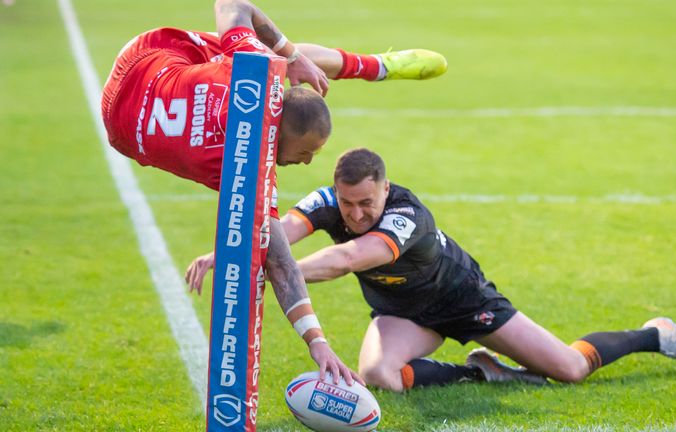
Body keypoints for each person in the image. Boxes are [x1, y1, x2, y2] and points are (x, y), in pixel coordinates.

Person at [100, 0, 445, 385]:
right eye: (305, 153)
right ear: (283, 134)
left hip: (144, 61)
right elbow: (279, 261)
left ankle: (370, 66)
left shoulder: (250, 74)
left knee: (270, 54)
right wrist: (317, 343)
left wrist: (291, 55)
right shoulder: (249, 171)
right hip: (125, 129)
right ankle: (370, 66)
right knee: (275, 55)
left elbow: (232, 4)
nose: (309, 163)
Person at [186, 148, 676, 392]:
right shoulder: (332, 201)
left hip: (464, 300)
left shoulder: (405, 218)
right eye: (347, 205)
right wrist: (232, 255)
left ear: (385, 189)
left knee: (569, 370)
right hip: (403, 313)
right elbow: (275, 232)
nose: (354, 214)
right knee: (378, 376)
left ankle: (655, 334)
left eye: (365, 203)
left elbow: (348, 259)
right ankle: (482, 372)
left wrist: (271, 275)